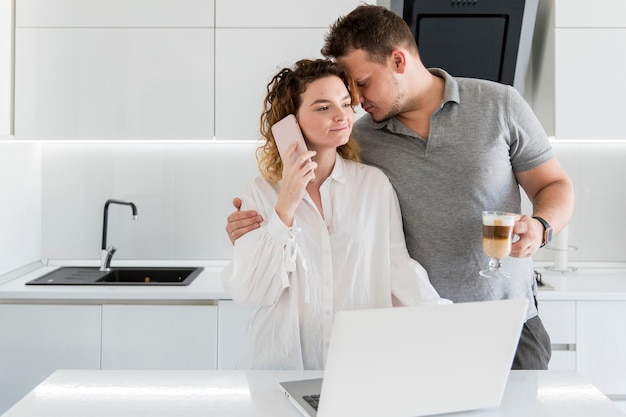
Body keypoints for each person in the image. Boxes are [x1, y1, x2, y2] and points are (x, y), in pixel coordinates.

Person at [226, 5, 575, 370]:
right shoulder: (360, 139)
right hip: (419, 330)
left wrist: (541, 225)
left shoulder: (499, 104)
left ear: (398, 60)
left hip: (507, 320)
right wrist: (263, 232)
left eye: (359, 85)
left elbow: (554, 183)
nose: (355, 104)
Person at [221, 58, 449, 370]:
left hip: (356, 367)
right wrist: (285, 205)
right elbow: (253, 291)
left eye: (345, 103)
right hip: (278, 366)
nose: (342, 115)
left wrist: (443, 320)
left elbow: (396, 265)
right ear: (291, 122)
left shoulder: (373, 185)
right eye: (323, 107)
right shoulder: (260, 193)